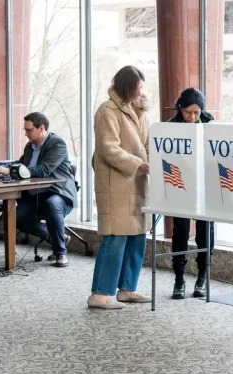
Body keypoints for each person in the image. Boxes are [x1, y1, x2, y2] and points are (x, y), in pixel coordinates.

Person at [87, 65, 152, 309]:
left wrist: (151, 163)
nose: (141, 91)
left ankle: (128, 289)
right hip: (116, 182)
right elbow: (108, 148)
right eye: (139, 86)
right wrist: (139, 164)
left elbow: (147, 143)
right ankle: (99, 295)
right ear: (128, 86)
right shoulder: (107, 111)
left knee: (137, 237)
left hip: (136, 181)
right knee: (115, 238)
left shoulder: (139, 111)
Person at [0, 112, 77, 267]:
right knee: (17, 217)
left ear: (41, 128)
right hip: (35, 194)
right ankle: (55, 238)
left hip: (58, 192)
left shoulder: (57, 144)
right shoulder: (30, 146)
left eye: (28, 130)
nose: (26, 133)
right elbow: (21, 163)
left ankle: (60, 252)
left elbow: (43, 170)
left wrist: (9, 171)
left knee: (52, 204)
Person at [165, 87, 215, 299]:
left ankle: (202, 276)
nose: (192, 117)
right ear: (180, 109)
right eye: (188, 112)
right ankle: (179, 278)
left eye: (196, 113)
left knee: (205, 231)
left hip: (205, 185)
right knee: (181, 230)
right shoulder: (170, 126)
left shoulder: (211, 124)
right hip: (181, 185)